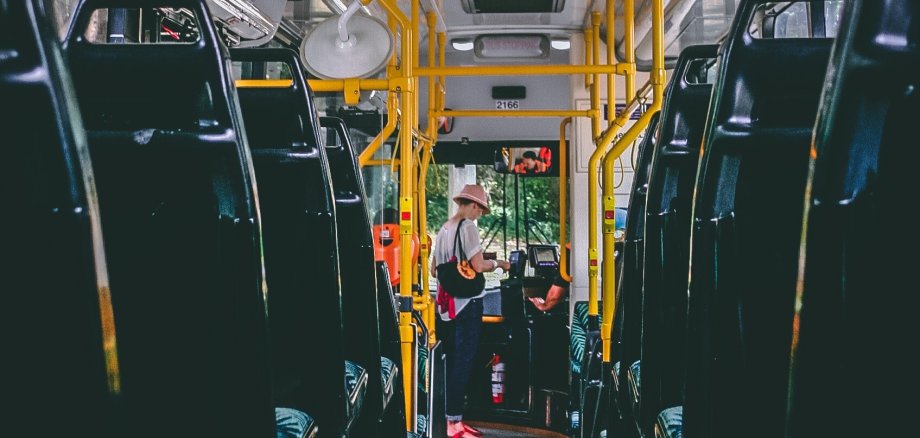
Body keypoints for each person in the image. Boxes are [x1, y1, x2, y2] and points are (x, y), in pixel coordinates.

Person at [431, 184, 510, 438]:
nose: (479, 215)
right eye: (480, 210)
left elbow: (435, 270)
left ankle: (449, 420)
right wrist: (498, 263)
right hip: (468, 304)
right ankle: (453, 424)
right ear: (473, 205)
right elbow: (478, 265)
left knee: (453, 361)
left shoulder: (445, 229)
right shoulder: (467, 227)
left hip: (448, 307)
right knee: (464, 362)